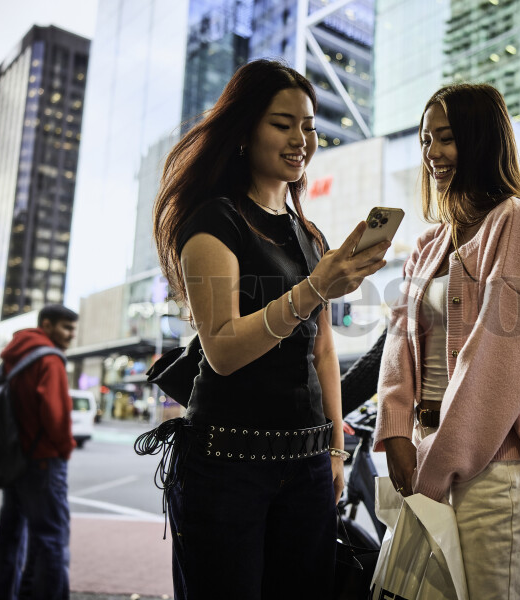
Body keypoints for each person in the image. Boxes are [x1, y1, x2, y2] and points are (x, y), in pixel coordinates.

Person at [142, 59, 389, 598]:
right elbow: (225, 349)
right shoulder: (212, 221)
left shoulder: (309, 235)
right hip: (225, 468)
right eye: (283, 123)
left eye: (309, 125)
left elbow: (323, 351)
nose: (301, 138)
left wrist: (333, 449)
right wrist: (315, 288)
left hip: (306, 468)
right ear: (244, 129)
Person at [374, 83, 520, 598]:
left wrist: (438, 461)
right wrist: (397, 432)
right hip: (427, 457)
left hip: (494, 475)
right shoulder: (427, 245)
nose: (432, 154)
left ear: (481, 142)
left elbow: (499, 359)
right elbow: (397, 346)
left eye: (446, 139)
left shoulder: (515, 221)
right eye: (426, 141)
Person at [0, 304, 78, 600]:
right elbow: (55, 413)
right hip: (43, 460)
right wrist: (65, 448)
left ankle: (1, 593)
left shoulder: (13, 357)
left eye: (74, 329)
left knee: (11, 534)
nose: (71, 335)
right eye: (66, 328)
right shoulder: (49, 359)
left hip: (14, 457)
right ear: (47, 325)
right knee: (51, 537)